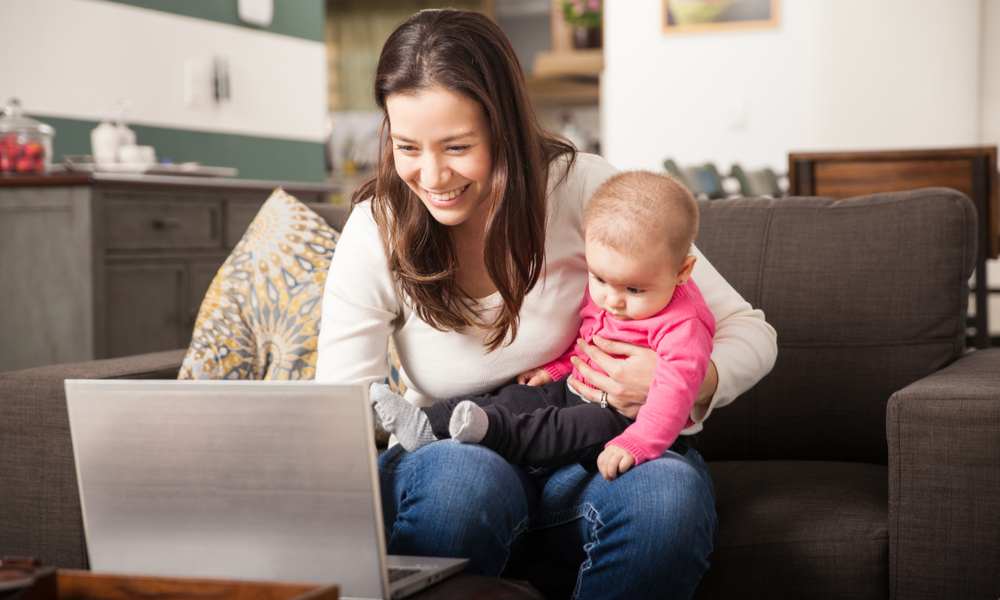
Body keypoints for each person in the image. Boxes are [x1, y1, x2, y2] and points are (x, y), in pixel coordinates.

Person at [316, 9, 777, 599]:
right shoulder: (377, 227)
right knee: (464, 481)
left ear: (503, 126)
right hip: (458, 457)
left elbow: (748, 330)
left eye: (457, 146)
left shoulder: (581, 188)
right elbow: (342, 413)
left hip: (585, 461)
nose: (431, 175)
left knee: (667, 493)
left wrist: (684, 378)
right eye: (407, 146)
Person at [367, 170, 715, 484]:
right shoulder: (614, 285)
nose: (613, 300)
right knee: (513, 396)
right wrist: (559, 367)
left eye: (634, 289)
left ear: (682, 271)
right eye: (600, 279)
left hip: (632, 421)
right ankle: (428, 423)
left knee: (570, 428)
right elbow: (590, 341)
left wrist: (639, 442)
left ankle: (490, 433)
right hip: (577, 386)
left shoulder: (684, 324)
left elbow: (676, 393)